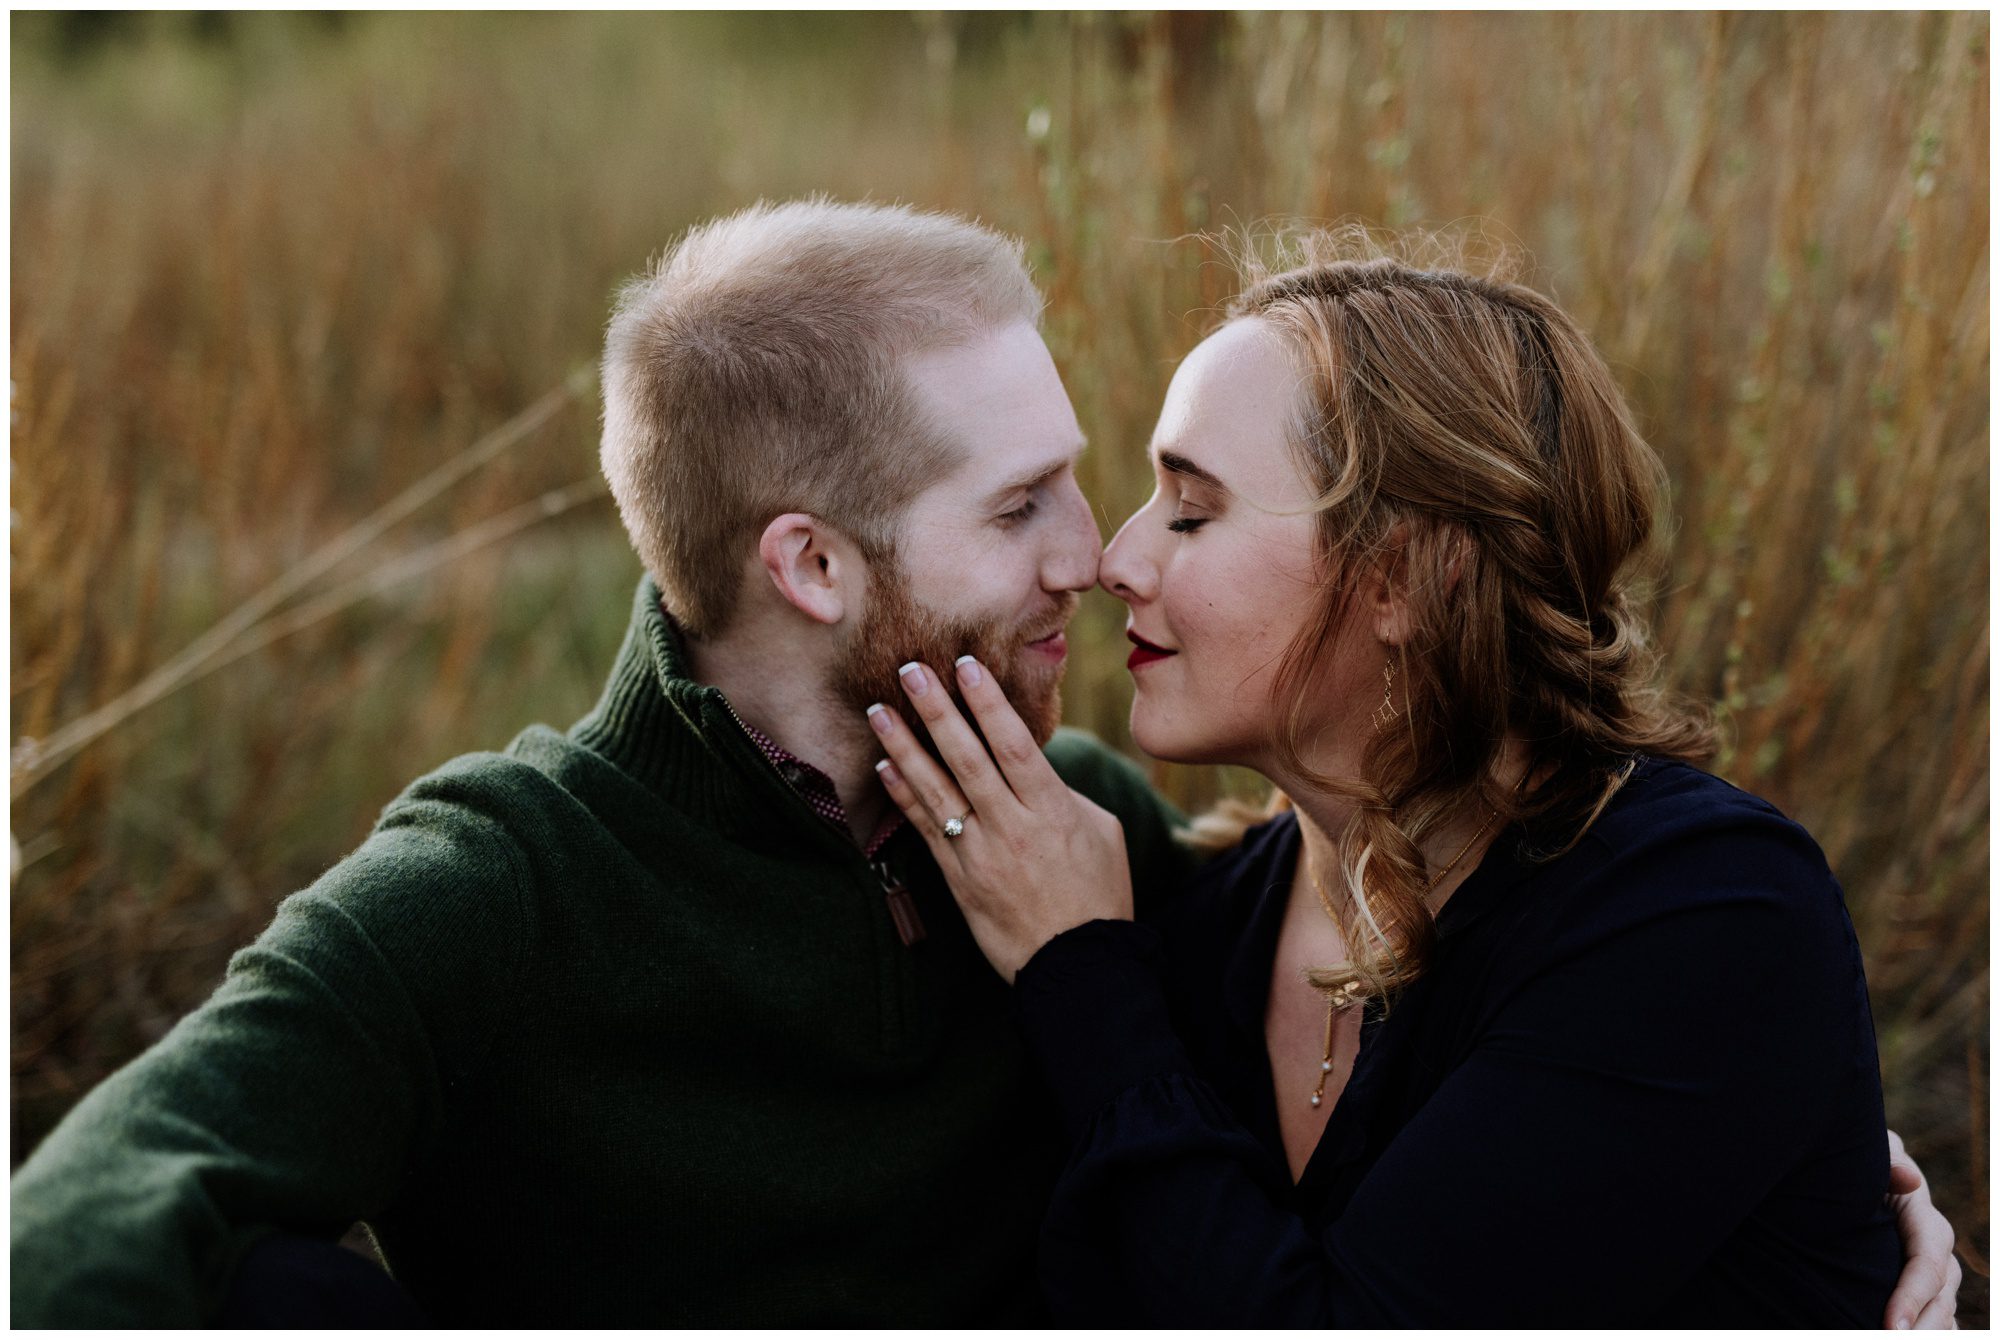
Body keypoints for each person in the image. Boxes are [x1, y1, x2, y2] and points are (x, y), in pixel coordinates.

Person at [9, 204, 1956, 1327]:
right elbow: (71, 1233)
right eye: (1028, 501)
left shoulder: (1107, 869)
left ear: (1405, 575)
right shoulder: (509, 883)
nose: (1095, 556)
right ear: (809, 563)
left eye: (1163, 505)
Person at [865, 239, 1965, 1326]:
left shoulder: (1703, 914)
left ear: (1405, 576)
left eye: (1191, 510)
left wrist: (1079, 972)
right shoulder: (1205, 917)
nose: (1115, 559)